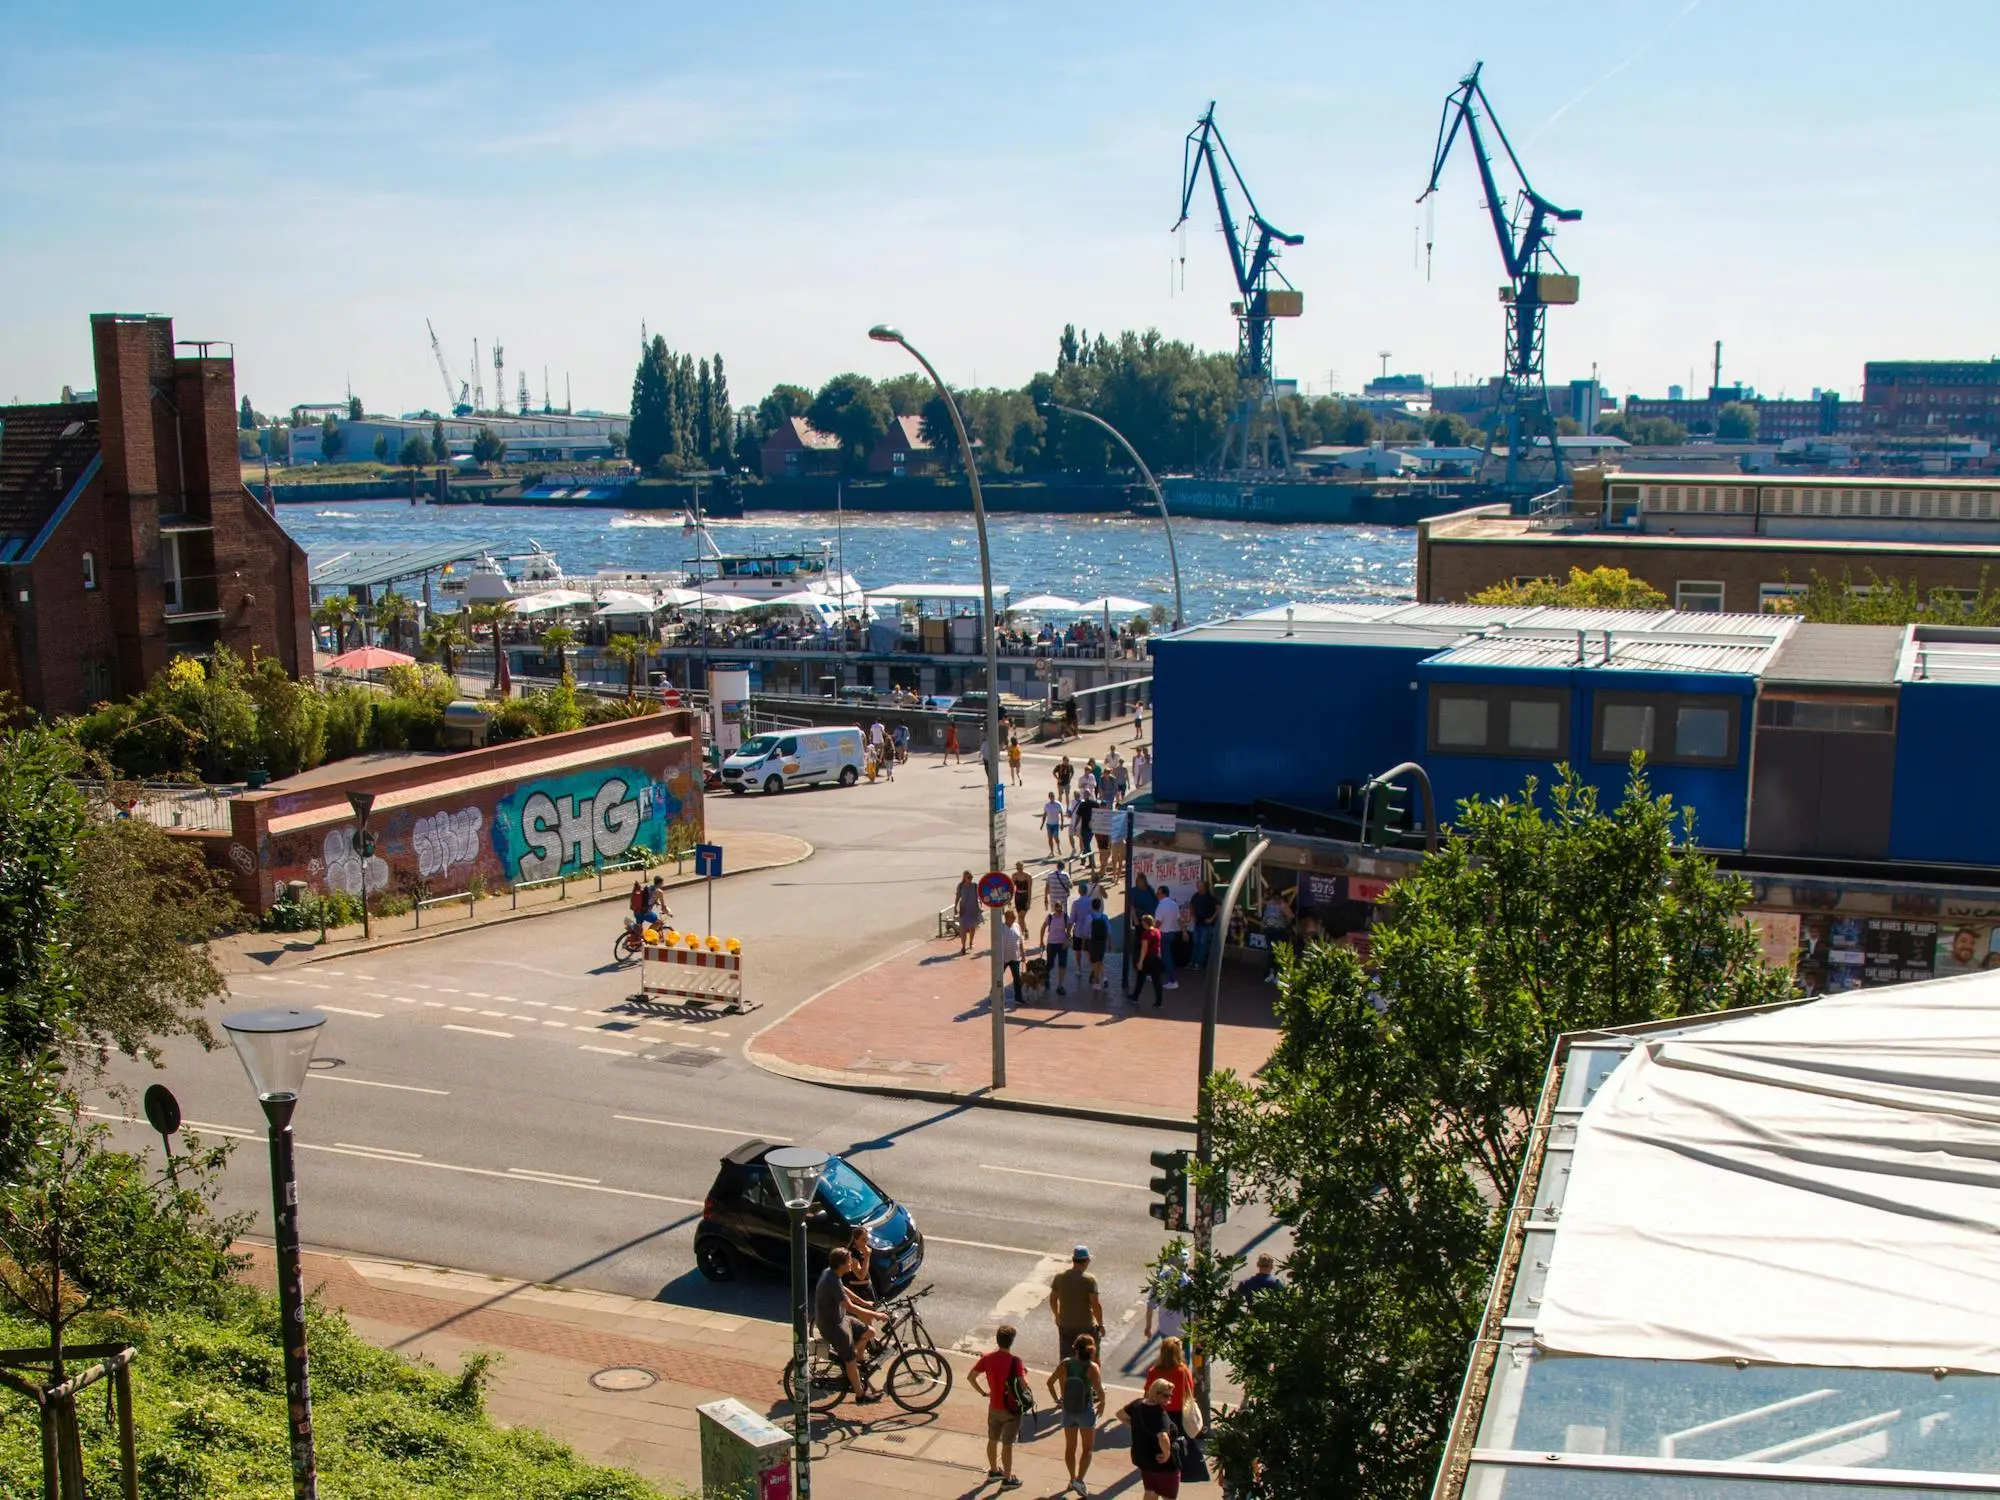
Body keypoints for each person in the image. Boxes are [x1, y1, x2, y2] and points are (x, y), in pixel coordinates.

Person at [814, 1248, 883, 1401]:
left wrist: (864, 1302)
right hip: (832, 1326)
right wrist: (876, 1314)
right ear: (841, 1265)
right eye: (849, 1262)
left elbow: (844, 1290)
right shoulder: (831, 1279)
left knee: (869, 1332)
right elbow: (850, 1307)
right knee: (850, 1360)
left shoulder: (832, 1273)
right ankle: (860, 1394)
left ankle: (852, 1360)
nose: (851, 1263)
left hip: (841, 1319)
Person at [969, 1325, 1030, 1490]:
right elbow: (1024, 1386)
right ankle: (1008, 1478)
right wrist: (1025, 1373)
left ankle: (994, 1471)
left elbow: (971, 1377)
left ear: (997, 1340)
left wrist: (983, 1392)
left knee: (992, 1440)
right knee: (1007, 1444)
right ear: (1012, 1342)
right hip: (1010, 1409)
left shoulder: (988, 1358)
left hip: (994, 1407)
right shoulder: (1015, 1362)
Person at [1045, 1331, 1105, 1497]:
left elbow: (1050, 1382)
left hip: (1068, 1409)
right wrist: (1103, 1404)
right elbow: (1099, 1390)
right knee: (1087, 1448)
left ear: (1075, 1348)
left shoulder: (1066, 1363)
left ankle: (1072, 1479)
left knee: (1070, 1448)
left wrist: (1058, 1400)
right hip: (1085, 1409)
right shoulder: (1092, 1368)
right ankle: (1079, 1480)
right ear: (1092, 1351)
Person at [1049, 1245, 1104, 1369]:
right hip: (1087, 1328)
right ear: (1086, 1261)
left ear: (1073, 1259)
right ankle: (1094, 1384)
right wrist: (1100, 1325)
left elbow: (1053, 1299)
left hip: (1066, 1326)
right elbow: (1095, 1305)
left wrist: (1057, 1317)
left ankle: (1066, 1386)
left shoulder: (1060, 1278)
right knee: (1093, 1359)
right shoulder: (1089, 1280)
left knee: (1065, 1360)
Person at [1130, 1378, 1180, 1500]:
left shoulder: (1137, 1405)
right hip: (1163, 1465)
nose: (1169, 1399)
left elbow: (1121, 1414)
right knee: (1168, 1496)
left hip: (1145, 1461)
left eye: (1170, 1395)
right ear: (1155, 1393)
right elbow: (1163, 1436)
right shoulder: (1159, 1414)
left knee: (1150, 1492)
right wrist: (1167, 1453)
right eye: (1165, 1395)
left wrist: (1136, 1427)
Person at [1144, 1336, 1195, 1425]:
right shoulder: (1183, 1371)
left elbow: (1147, 1393)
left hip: (1158, 1411)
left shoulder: (1154, 1371)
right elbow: (1189, 1391)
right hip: (1178, 1412)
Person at [1145, 1248, 1192, 1343]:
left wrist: (1148, 1327)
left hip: (1165, 1329)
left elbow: (1150, 1305)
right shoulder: (1188, 1283)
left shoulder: (1160, 1280)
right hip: (1183, 1330)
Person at [1130, 913, 1166, 1008]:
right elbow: (1158, 946)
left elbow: (1144, 949)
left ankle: (1135, 996)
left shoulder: (1146, 934)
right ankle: (1159, 1001)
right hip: (1156, 958)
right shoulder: (1157, 931)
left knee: (1140, 978)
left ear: (1146, 923)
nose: (1141, 923)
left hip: (1148, 959)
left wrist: (1140, 961)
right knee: (1157, 981)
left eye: (1142, 921)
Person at [1260, 888, 1293, 984]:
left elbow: (1291, 916)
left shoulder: (1283, 905)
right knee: (1271, 953)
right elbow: (1265, 916)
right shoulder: (1269, 904)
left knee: (1279, 953)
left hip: (1279, 931)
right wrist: (1263, 925)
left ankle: (1279, 975)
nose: (1276, 899)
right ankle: (1271, 973)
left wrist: (1286, 922)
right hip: (1270, 930)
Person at [1152, 885, 1182, 991]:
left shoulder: (1161, 905)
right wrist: (1184, 931)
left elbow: (1159, 921)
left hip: (1163, 933)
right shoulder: (1174, 904)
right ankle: (1155, 974)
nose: (1157, 894)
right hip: (1171, 933)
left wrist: (1153, 932)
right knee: (1160, 955)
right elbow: (1179, 919)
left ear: (1162, 893)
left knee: (1165, 957)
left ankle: (1173, 981)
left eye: (1158, 893)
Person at [1042, 902, 1071, 997]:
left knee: (1062, 964)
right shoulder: (1050, 917)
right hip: (1052, 944)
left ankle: (1060, 986)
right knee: (1050, 964)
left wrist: (1067, 939)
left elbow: (1069, 927)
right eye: (1057, 909)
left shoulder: (1065, 917)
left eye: (1061, 909)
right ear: (1055, 909)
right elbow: (1043, 927)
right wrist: (1041, 941)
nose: (1059, 911)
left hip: (1062, 944)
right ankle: (1045, 978)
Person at [1189, 883, 1220, 973]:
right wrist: (1193, 916)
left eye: (1200, 886)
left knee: (1202, 944)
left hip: (1206, 924)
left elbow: (1218, 908)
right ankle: (1192, 961)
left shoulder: (1210, 898)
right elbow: (1191, 905)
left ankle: (1199, 963)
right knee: (1195, 943)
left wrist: (1211, 919)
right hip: (1198, 923)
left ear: (1204, 887)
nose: (1198, 888)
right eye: (1197, 886)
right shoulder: (1195, 896)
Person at [1087, 897, 1110, 997]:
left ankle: (1097, 982)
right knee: (1100, 960)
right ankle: (1104, 978)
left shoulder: (1089, 917)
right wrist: (1110, 943)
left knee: (1094, 962)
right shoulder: (1104, 917)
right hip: (1102, 942)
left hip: (1092, 941)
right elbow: (1109, 930)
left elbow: (1086, 931)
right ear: (1100, 906)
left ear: (1092, 906)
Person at [955, 871, 982, 957]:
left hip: (973, 909)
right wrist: (955, 907)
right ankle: (963, 947)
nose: (970, 879)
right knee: (963, 930)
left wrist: (981, 906)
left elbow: (979, 897)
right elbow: (958, 897)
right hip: (964, 910)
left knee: (972, 928)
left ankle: (971, 942)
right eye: (969, 877)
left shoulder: (975, 885)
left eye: (971, 877)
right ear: (964, 877)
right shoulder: (960, 886)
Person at [1001, 910, 1024, 1007]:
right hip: (1003, 957)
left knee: (1017, 978)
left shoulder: (1017, 926)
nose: (1014, 919)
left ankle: (1018, 998)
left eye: (1015, 917)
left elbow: (1020, 940)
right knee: (998, 977)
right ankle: (994, 995)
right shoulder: (1001, 927)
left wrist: (1023, 953)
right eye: (1013, 917)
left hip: (1015, 956)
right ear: (1006, 918)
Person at [1012, 860, 1035, 930]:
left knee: (1022, 916)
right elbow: (1012, 888)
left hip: (1025, 896)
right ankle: (1023, 932)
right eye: (1018, 868)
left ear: (1023, 867)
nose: (1019, 870)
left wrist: (1029, 901)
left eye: (1020, 868)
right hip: (1018, 896)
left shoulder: (1028, 876)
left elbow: (1030, 890)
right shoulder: (1014, 876)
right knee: (1019, 916)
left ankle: (1024, 931)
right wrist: (1010, 899)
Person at [1043, 791, 1066, 859]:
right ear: (1049, 797)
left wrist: (1062, 824)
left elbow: (1061, 814)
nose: (1052, 797)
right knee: (1050, 838)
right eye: (1051, 796)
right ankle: (1052, 851)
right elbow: (1045, 814)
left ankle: (1058, 846)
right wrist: (1042, 824)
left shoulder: (1058, 804)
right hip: (1049, 824)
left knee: (1056, 837)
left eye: (1053, 796)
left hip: (1056, 824)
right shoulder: (1047, 805)